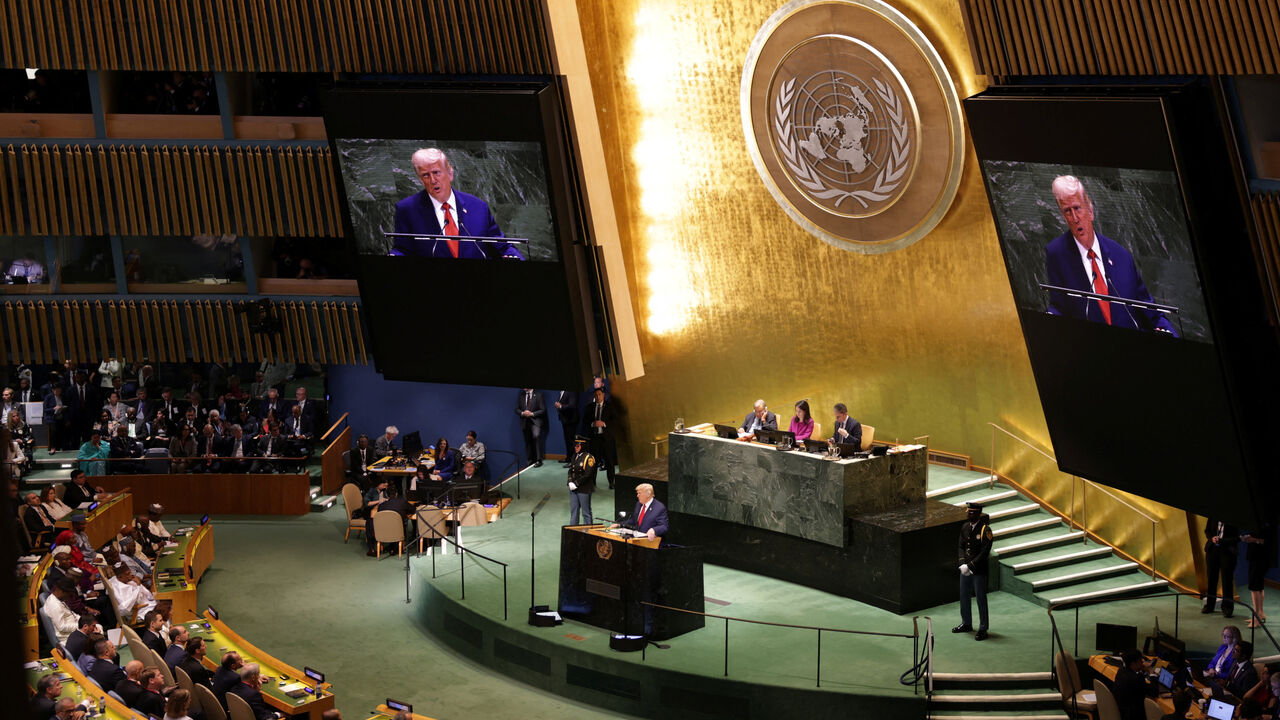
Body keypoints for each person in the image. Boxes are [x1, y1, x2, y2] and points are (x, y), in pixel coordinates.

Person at [1043, 175, 1178, 335]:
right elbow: (1058, 306)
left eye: (1077, 208)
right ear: (1064, 217)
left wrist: (1168, 332)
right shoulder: (1056, 253)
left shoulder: (1121, 256)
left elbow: (1149, 310)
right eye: (1067, 211)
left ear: (1090, 211)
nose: (1075, 218)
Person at [391, 147, 518, 259]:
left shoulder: (478, 207)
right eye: (425, 175)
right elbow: (402, 250)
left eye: (436, 172)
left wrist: (513, 256)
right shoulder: (407, 209)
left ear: (450, 174)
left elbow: (502, 246)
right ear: (420, 180)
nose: (433, 180)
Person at [953, 501, 993, 641]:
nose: (969, 514)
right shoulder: (965, 527)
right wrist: (962, 563)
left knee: (980, 599)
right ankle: (966, 623)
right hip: (965, 570)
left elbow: (984, 552)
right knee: (964, 596)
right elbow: (961, 546)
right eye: (968, 512)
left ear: (978, 514)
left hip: (978, 571)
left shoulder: (985, 530)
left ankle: (983, 628)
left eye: (972, 512)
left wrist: (970, 566)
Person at [582, 386, 617, 489]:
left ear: (603, 395)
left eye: (599, 395)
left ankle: (611, 482)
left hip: (606, 438)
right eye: (596, 395)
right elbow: (584, 421)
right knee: (593, 462)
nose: (598, 397)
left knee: (610, 461)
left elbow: (615, 420)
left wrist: (604, 424)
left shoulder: (610, 406)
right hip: (594, 438)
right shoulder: (589, 407)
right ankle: (592, 483)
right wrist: (593, 424)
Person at [1203, 518, 1240, 617]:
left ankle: (1227, 608)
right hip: (1212, 551)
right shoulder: (1212, 516)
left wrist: (1222, 541)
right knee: (1211, 579)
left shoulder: (1233, 518)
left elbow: (1237, 538)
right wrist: (1212, 538)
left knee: (1227, 581)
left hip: (1228, 552)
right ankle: (1209, 606)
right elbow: (1207, 531)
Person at [1242, 523, 1275, 628]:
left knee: (1254, 587)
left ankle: (1256, 618)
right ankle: (1260, 613)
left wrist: (1253, 540)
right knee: (1258, 586)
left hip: (1261, 557)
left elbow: (1268, 541)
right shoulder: (1257, 520)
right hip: (1255, 556)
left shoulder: (1268, 522)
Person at [1111, 648, 1157, 720]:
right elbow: (1154, 692)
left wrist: (1141, 669)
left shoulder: (1120, 671)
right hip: (1134, 715)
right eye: (1140, 660)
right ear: (1133, 663)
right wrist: (1151, 672)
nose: (1142, 662)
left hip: (1121, 711)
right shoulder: (1137, 679)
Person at [366, 483, 410, 557]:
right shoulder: (402, 502)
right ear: (396, 494)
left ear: (386, 495)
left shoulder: (381, 506)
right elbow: (412, 510)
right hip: (398, 531)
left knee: (369, 522)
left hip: (384, 531)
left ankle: (372, 549)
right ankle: (394, 547)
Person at [567, 435, 597, 525]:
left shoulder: (589, 458)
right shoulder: (574, 456)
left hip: (584, 488)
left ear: (583, 446)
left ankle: (588, 533)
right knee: (574, 512)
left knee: (586, 513)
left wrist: (576, 483)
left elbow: (587, 474)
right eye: (575, 445)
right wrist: (570, 482)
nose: (575, 448)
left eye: (578, 446)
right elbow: (570, 471)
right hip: (574, 488)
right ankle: (573, 533)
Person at [43, 579, 81, 645]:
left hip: (73, 625)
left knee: (95, 626)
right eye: (69, 594)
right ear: (62, 591)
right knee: (97, 630)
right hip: (67, 635)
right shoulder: (55, 606)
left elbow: (70, 613)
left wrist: (82, 619)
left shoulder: (56, 598)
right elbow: (62, 627)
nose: (69, 596)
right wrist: (80, 625)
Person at [516, 388, 545, 467]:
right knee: (527, 441)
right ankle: (529, 461)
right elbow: (516, 409)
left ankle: (539, 460)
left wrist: (532, 414)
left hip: (535, 421)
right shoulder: (521, 395)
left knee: (536, 436)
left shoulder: (539, 395)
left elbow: (543, 410)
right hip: (525, 421)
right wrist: (522, 413)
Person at [554, 390, 579, 466]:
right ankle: (568, 458)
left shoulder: (571, 391)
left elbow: (572, 405)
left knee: (571, 441)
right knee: (567, 440)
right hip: (564, 420)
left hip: (571, 420)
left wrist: (560, 406)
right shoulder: (561, 392)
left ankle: (573, 460)